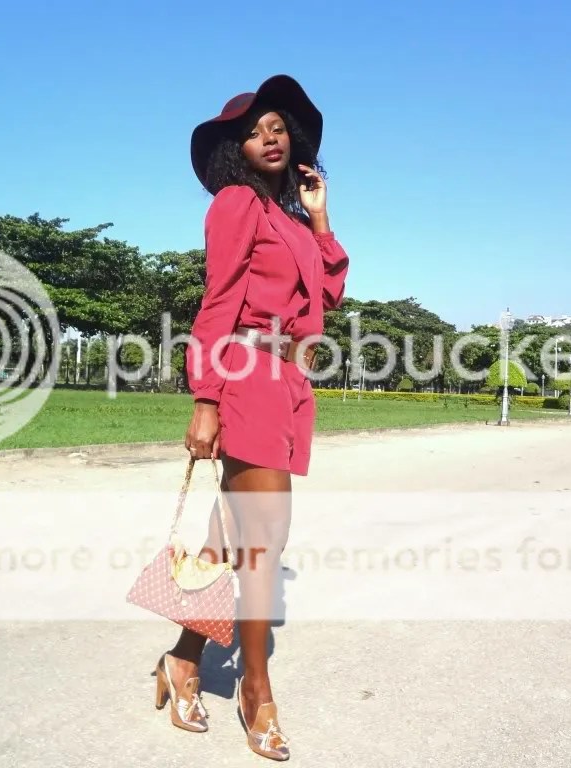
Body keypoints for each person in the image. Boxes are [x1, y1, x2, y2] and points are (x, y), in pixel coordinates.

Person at [152, 74, 349, 761]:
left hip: (286, 382)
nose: (271, 138)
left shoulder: (288, 220)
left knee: (234, 538)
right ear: (235, 148)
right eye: (255, 131)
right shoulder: (236, 203)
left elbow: (326, 295)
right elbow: (219, 297)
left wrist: (319, 217)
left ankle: (182, 658)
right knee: (266, 540)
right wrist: (205, 398)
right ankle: (256, 690)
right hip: (243, 374)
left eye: (279, 129)